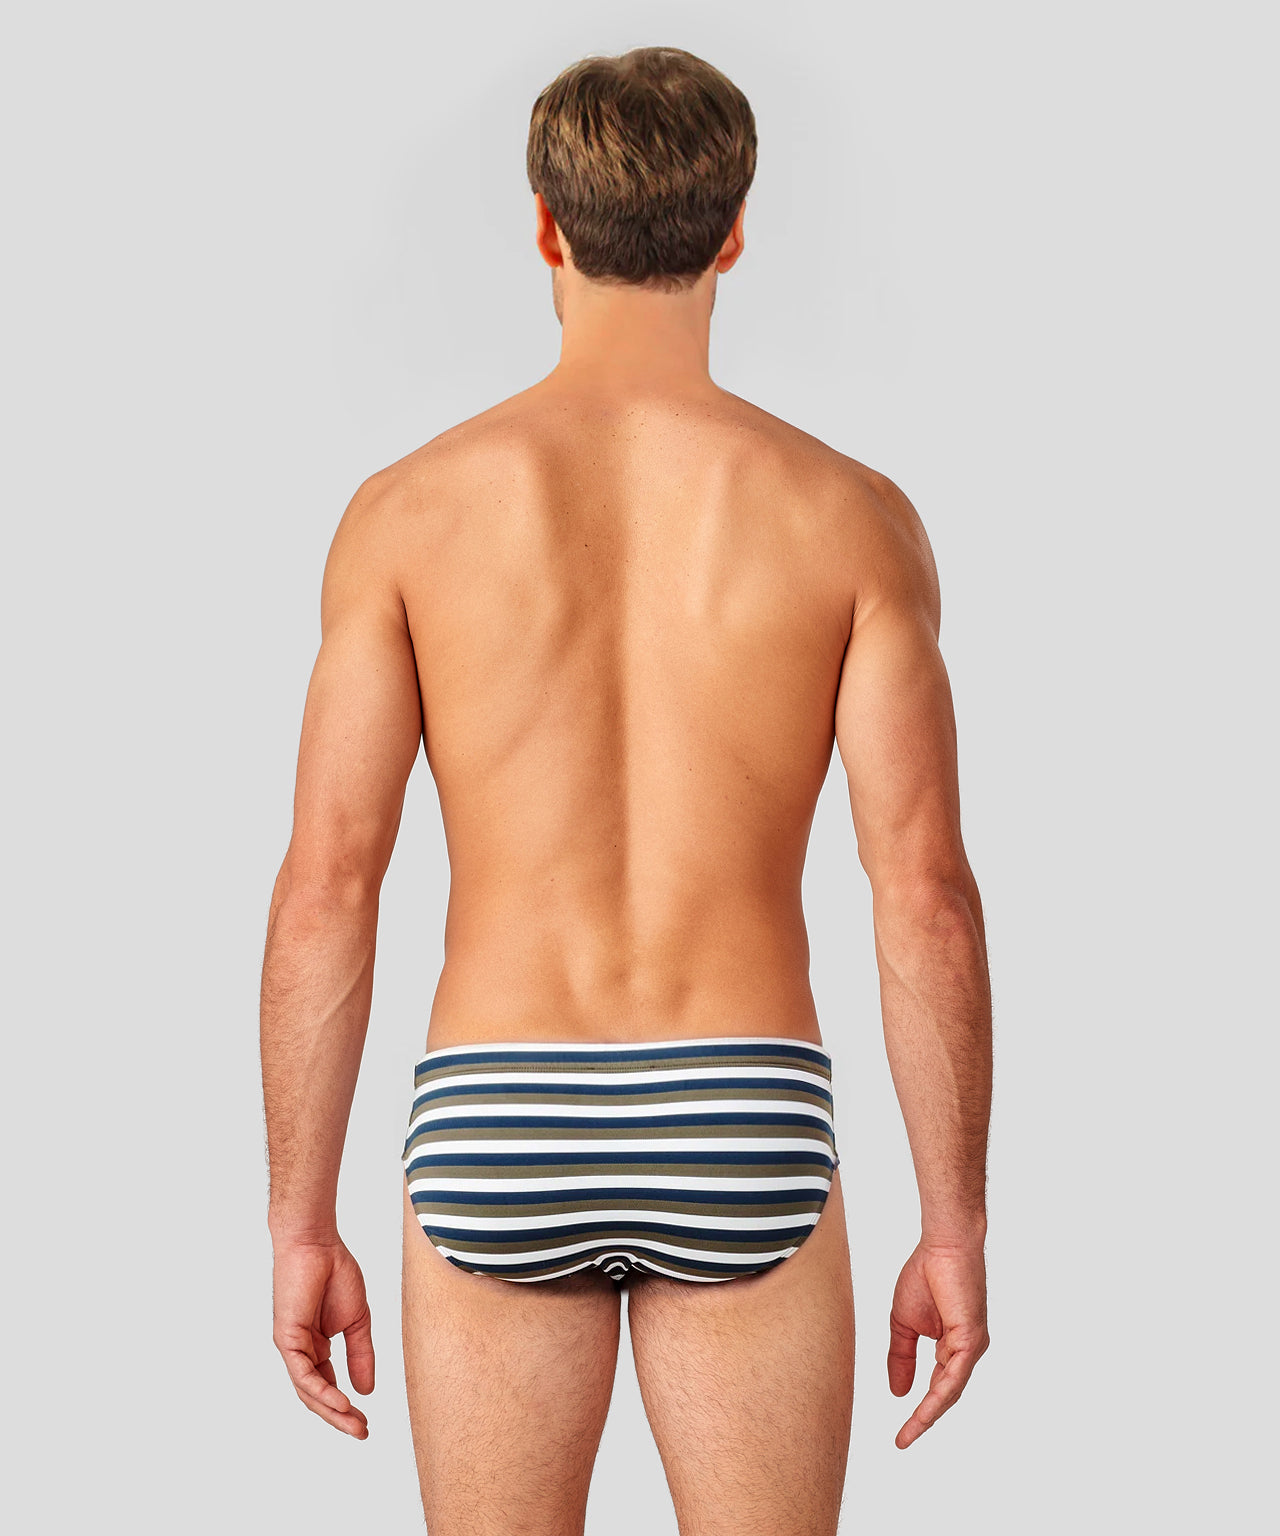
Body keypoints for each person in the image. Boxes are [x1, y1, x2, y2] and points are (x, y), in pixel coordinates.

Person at [260, 44, 992, 1534]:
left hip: (497, 1107)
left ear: (546, 226)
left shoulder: (406, 516)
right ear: (734, 232)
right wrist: (956, 1220)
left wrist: (298, 1218)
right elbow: (921, 889)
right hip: (742, 1104)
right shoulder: (851, 519)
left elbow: (330, 881)